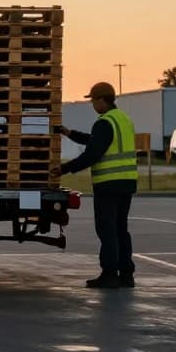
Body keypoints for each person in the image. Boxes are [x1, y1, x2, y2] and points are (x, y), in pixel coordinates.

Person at [58, 81, 140, 289]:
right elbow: (96, 141)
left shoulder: (104, 122)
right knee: (121, 229)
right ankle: (127, 274)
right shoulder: (123, 120)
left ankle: (109, 273)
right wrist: (70, 133)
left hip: (109, 184)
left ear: (102, 99)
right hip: (127, 183)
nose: (92, 105)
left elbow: (93, 153)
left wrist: (64, 169)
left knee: (107, 229)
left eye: (93, 101)